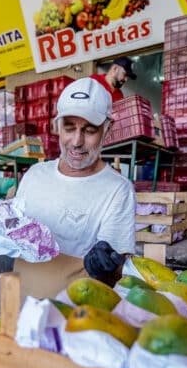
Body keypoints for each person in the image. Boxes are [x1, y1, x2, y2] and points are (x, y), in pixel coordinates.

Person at [14, 77, 136, 283]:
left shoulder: (118, 190)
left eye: (89, 130)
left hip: (77, 311)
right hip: (21, 307)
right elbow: (12, 232)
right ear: (57, 126)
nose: (77, 142)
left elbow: (117, 270)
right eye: (69, 128)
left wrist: (108, 268)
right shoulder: (34, 175)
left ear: (108, 130)